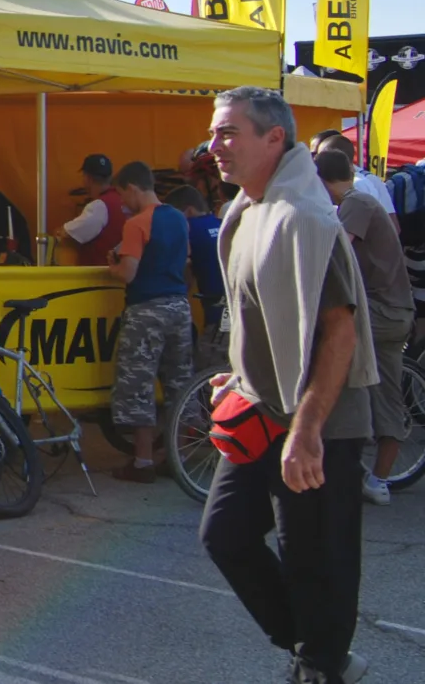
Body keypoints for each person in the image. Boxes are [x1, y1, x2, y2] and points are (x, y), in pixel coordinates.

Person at [199, 88, 378, 684]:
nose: (214, 145)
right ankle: (318, 652)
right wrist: (241, 372)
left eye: (229, 132)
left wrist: (306, 431)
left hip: (319, 420)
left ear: (275, 137)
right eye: (214, 132)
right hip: (261, 409)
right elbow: (269, 318)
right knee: (225, 535)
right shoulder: (249, 209)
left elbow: (340, 332)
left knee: (315, 560)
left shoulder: (305, 217)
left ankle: (319, 664)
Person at [315, 150, 413, 506]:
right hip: (396, 312)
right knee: (386, 395)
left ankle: (329, 443)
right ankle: (377, 480)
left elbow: (334, 251)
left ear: (321, 181)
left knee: (324, 344)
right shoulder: (363, 201)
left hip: (380, 310)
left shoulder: (356, 202)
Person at [104, 163, 194, 482]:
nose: (122, 202)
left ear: (132, 188)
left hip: (146, 309)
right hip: (179, 307)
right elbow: (186, 261)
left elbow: (128, 273)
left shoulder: (137, 224)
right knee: (179, 382)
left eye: (122, 194)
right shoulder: (179, 219)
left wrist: (112, 267)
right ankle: (177, 457)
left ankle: (142, 461)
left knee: (138, 383)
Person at [166, 186, 228, 370]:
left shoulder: (188, 230)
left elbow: (180, 273)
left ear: (189, 210)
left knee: (207, 371)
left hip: (216, 312)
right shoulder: (222, 224)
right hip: (234, 308)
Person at [311, 129, 396, 216]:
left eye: (317, 155)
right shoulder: (355, 183)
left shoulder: (359, 184)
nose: (314, 159)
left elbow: (389, 217)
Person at [60, 154, 123, 266]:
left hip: (99, 273)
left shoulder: (98, 206)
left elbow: (67, 233)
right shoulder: (122, 199)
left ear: (88, 178)